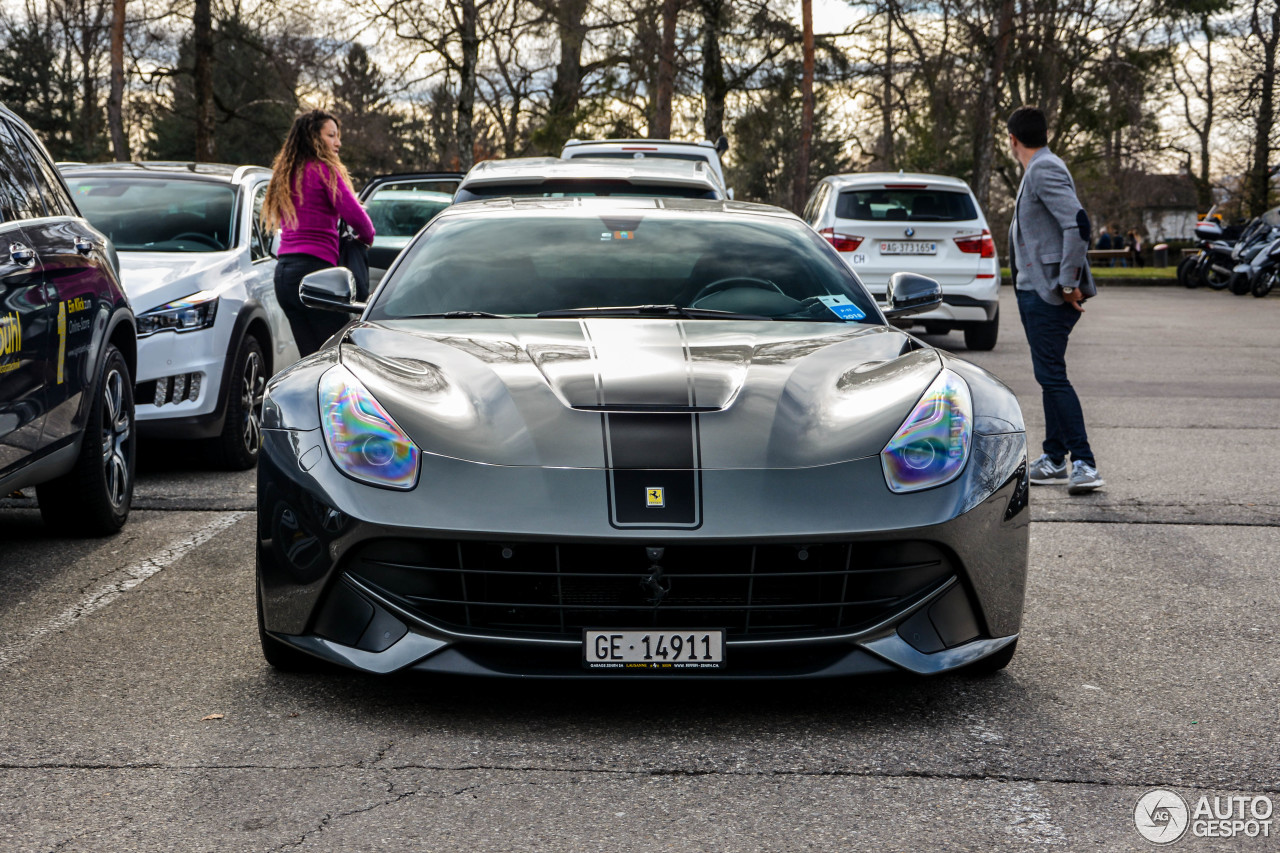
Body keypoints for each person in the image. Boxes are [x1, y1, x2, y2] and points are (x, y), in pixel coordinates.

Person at [1005, 105, 1104, 495]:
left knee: (1052, 377)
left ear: (1013, 139)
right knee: (1050, 376)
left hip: (1047, 292)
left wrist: (1066, 283)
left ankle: (1084, 462)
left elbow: (1077, 224)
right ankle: (1054, 457)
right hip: (1037, 289)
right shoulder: (1041, 167)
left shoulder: (1043, 168)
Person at [262, 109, 375, 356]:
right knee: (338, 355)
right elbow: (362, 223)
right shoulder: (325, 170)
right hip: (316, 275)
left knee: (311, 357)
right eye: (331, 135)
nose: (338, 142)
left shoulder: (285, 174)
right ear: (315, 138)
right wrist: (362, 241)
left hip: (284, 276)